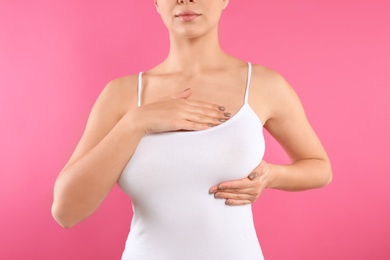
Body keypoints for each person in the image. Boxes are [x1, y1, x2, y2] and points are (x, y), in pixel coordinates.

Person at [52, 0, 332, 259]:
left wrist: (272, 175)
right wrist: (136, 122)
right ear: (156, 3)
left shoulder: (264, 85)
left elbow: (319, 167)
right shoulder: (122, 94)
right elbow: (66, 211)